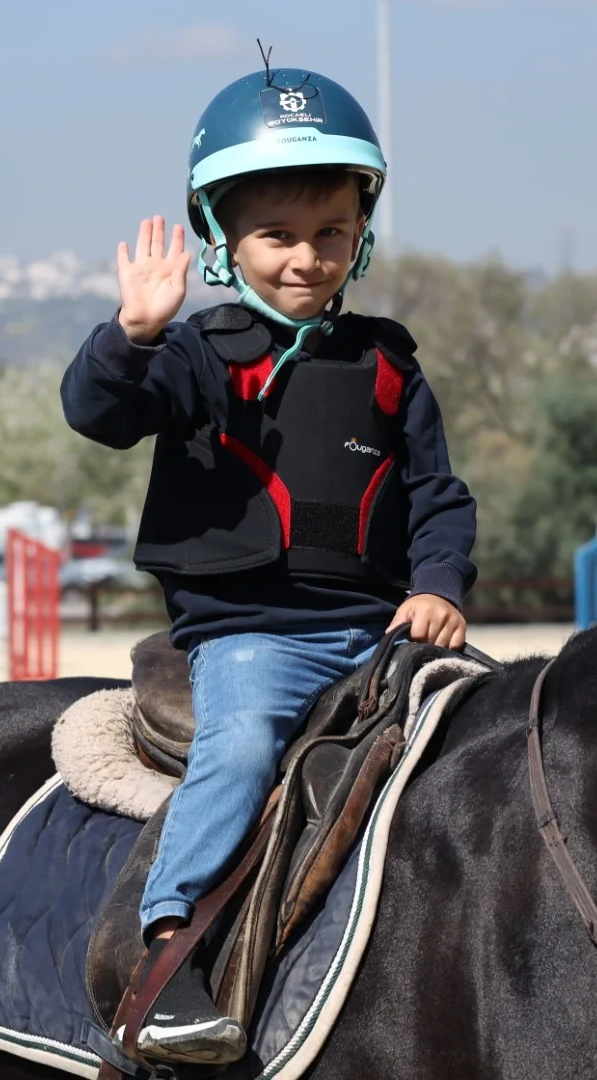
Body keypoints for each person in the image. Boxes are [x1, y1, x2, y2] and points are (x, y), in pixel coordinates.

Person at [62, 62, 476, 1064]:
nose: (306, 258)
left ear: (360, 234)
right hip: (253, 636)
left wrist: (436, 586)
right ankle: (166, 955)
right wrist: (131, 336)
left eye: (330, 233)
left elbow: (438, 501)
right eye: (277, 237)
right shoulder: (198, 353)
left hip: (380, 633)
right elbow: (99, 414)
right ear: (227, 241)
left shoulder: (389, 364)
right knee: (242, 750)